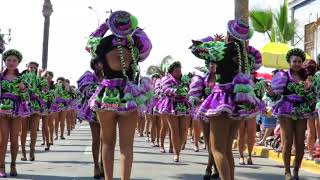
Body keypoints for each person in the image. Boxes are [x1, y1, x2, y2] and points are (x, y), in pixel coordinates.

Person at [190, 19, 261, 180]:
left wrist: (214, 43)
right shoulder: (248, 55)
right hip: (240, 102)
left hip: (222, 99)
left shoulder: (222, 49)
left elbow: (196, 49)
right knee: (227, 149)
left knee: (217, 149)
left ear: (229, 33)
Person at [86, 10, 152, 180]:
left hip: (107, 94)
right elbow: (148, 45)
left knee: (107, 143)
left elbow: (90, 42)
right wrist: (133, 28)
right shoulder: (135, 44)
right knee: (127, 146)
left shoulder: (103, 44)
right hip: (129, 95)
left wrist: (105, 25)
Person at [271, 48, 316, 179]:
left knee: (300, 142)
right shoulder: (283, 75)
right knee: (287, 141)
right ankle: (287, 171)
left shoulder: (306, 77)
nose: (297, 63)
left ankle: (296, 170)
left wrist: (309, 88)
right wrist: (271, 92)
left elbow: (311, 96)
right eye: (294, 61)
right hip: (286, 109)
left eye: (299, 61)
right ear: (289, 62)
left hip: (301, 110)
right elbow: (276, 93)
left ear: (302, 63)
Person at [0, 49, 30, 177]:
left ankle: (13, 165)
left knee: (14, 140)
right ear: (5, 61)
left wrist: (23, 89)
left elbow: (27, 98)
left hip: (16, 112)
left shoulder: (22, 78)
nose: (11, 62)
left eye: (14, 60)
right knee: (2, 140)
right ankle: (1, 167)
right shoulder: (0, 77)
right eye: (8, 60)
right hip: (2, 111)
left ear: (18, 63)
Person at [189, 57, 220, 179]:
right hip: (205, 113)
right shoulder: (201, 79)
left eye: (215, 63)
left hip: (220, 113)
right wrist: (199, 100)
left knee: (216, 143)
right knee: (208, 142)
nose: (213, 65)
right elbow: (194, 97)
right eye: (211, 63)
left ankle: (209, 168)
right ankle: (216, 168)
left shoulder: (223, 79)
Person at [154, 61, 191, 162]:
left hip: (183, 104)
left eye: (180, 70)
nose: (179, 72)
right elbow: (165, 89)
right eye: (176, 71)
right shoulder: (166, 79)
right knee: (173, 129)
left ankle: (178, 147)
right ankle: (176, 153)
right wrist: (175, 91)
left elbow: (189, 88)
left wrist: (186, 88)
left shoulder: (184, 79)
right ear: (171, 71)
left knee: (183, 129)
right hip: (171, 105)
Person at [77, 58, 104, 179]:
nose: (101, 65)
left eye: (103, 62)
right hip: (94, 111)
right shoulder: (88, 76)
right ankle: (96, 166)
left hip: (109, 109)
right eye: (99, 62)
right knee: (96, 139)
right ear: (94, 65)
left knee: (107, 139)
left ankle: (104, 164)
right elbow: (86, 91)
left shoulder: (111, 76)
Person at [20, 61, 45, 161]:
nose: (32, 69)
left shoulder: (40, 79)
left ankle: (32, 151)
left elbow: (44, 91)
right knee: (24, 130)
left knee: (34, 130)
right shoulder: (21, 77)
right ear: (27, 67)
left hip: (35, 105)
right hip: (24, 105)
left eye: (34, 67)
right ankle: (23, 152)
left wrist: (40, 92)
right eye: (30, 67)